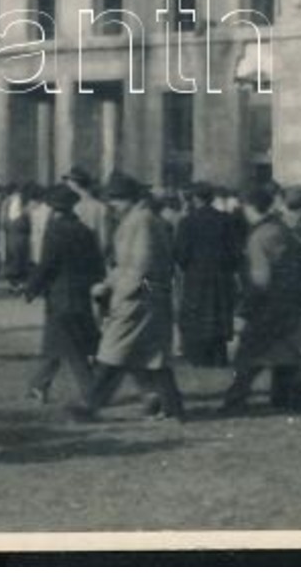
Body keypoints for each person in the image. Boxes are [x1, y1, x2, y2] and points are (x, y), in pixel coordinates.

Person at [72, 175, 184, 423]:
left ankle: (90, 403)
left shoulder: (141, 222)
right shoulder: (139, 219)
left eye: (117, 199)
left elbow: (141, 265)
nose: (113, 205)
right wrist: (110, 283)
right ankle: (169, 405)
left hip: (139, 298)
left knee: (114, 350)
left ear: (130, 199)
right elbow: (127, 265)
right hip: (146, 297)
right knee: (151, 356)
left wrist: (119, 292)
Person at [221, 187, 301, 415]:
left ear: (249, 207)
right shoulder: (281, 229)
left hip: (267, 305)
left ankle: (235, 401)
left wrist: (245, 307)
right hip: (291, 302)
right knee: (290, 352)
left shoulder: (259, 236)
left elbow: (261, 279)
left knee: (248, 355)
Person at [23, 185, 104, 406]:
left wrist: (31, 288)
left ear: (55, 209)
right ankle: (38, 386)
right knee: (56, 344)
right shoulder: (86, 231)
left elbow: (47, 265)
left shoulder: (56, 232)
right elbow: (97, 264)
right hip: (80, 294)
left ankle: (92, 393)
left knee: (72, 348)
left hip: (60, 296)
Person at [173, 182, 240, 367]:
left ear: (195, 199)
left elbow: (180, 254)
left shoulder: (187, 221)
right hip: (221, 276)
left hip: (196, 277)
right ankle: (219, 356)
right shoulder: (225, 220)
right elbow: (235, 252)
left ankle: (198, 356)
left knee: (198, 316)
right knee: (218, 314)